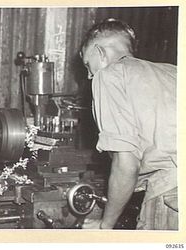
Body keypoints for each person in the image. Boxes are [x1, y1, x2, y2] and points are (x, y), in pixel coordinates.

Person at [80, 18, 178, 230]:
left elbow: (126, 163)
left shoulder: (109, 75)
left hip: (170, 193)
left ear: (100, 53)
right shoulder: (173, 71)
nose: (89, 76)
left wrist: (105, 226)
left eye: (88, 65)